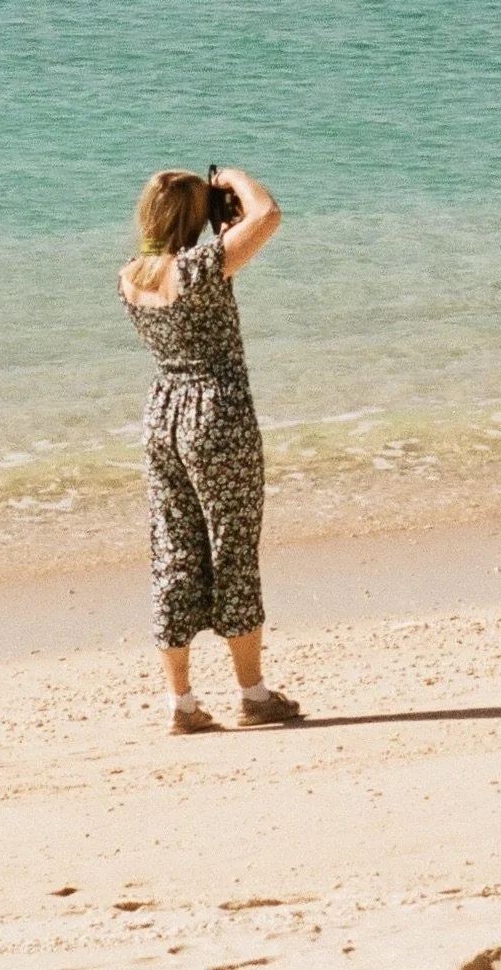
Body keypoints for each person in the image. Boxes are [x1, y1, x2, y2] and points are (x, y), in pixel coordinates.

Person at [120, 165, 302, 734]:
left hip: (163, 414)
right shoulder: (202, 268)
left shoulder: (129, 276)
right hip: (216, 414)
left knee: (174, 553)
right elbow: (268, 216)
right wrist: (240, 180)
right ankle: (253, 693)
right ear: (195, 219)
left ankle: (183, 704)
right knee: (232, 548)